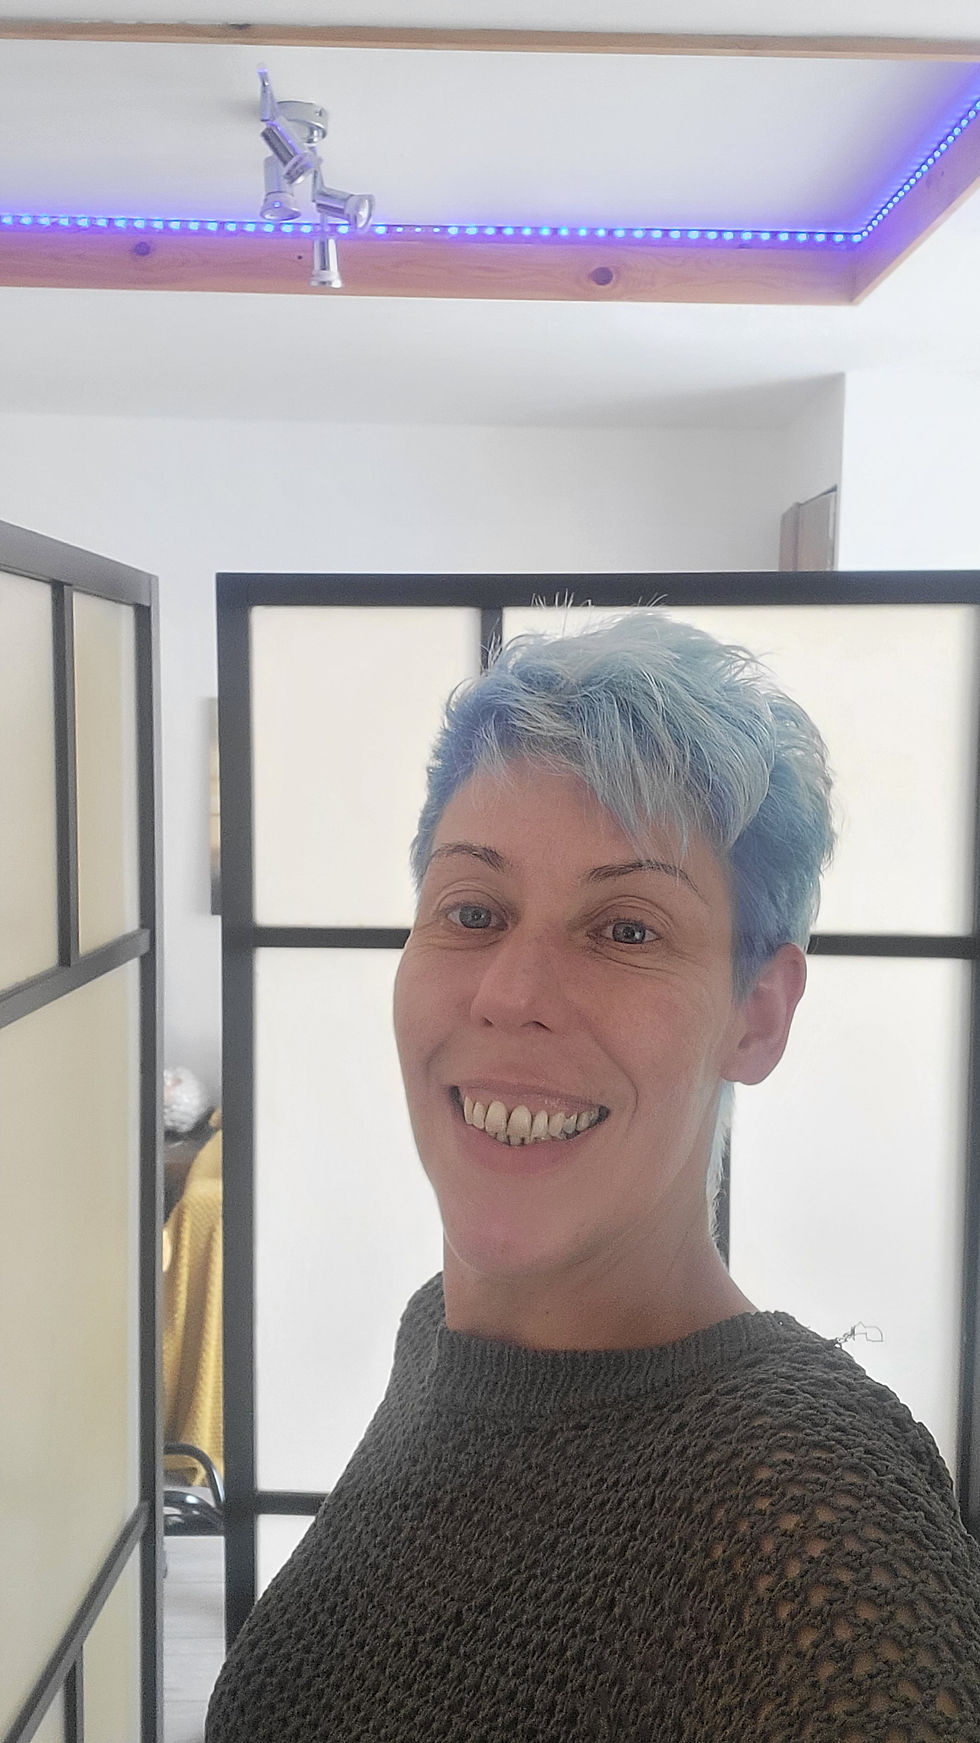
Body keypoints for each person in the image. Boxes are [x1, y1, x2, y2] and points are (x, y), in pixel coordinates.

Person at [206, 610, 980, 1740]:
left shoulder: (812, 1524)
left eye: (624, 930)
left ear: (755, 1016)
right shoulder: (444, 1348)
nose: (510, 992)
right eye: (472, 910)